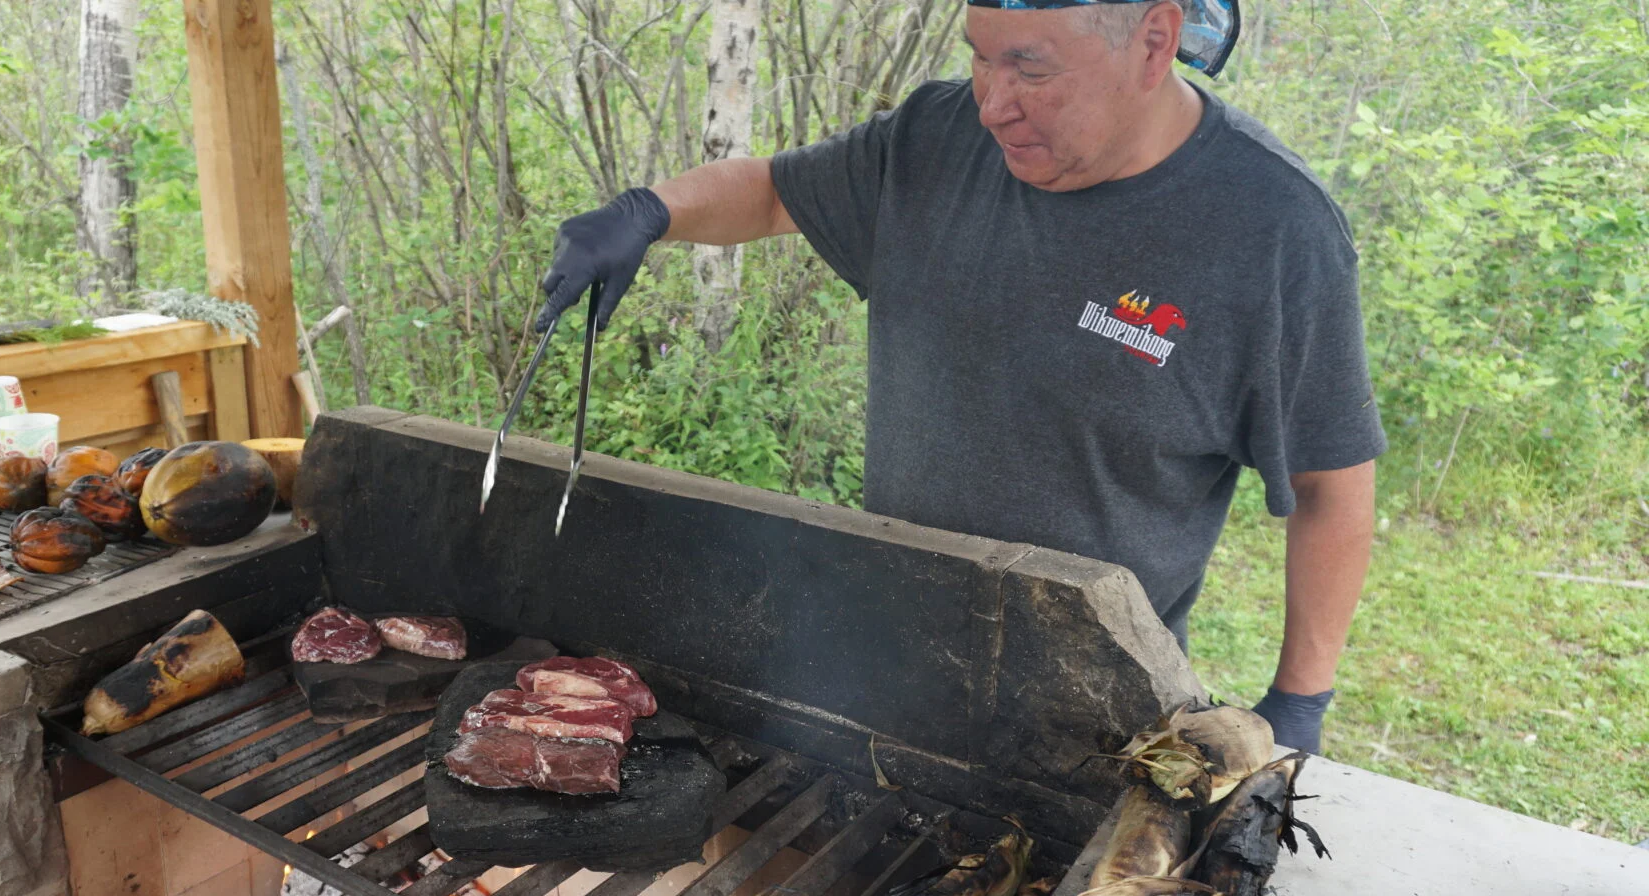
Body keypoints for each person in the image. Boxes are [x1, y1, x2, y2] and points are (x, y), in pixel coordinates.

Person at [532, 0, 1384, 754]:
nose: (993, 102)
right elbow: (771, 194)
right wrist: (650, 213)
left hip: (1095, 712)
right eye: (980, 54)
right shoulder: (933, 141)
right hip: (887, 660)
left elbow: (1332, 485)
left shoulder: (1273, 232)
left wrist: (1299, 702)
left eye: (1030, 67)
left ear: (1156, 41)